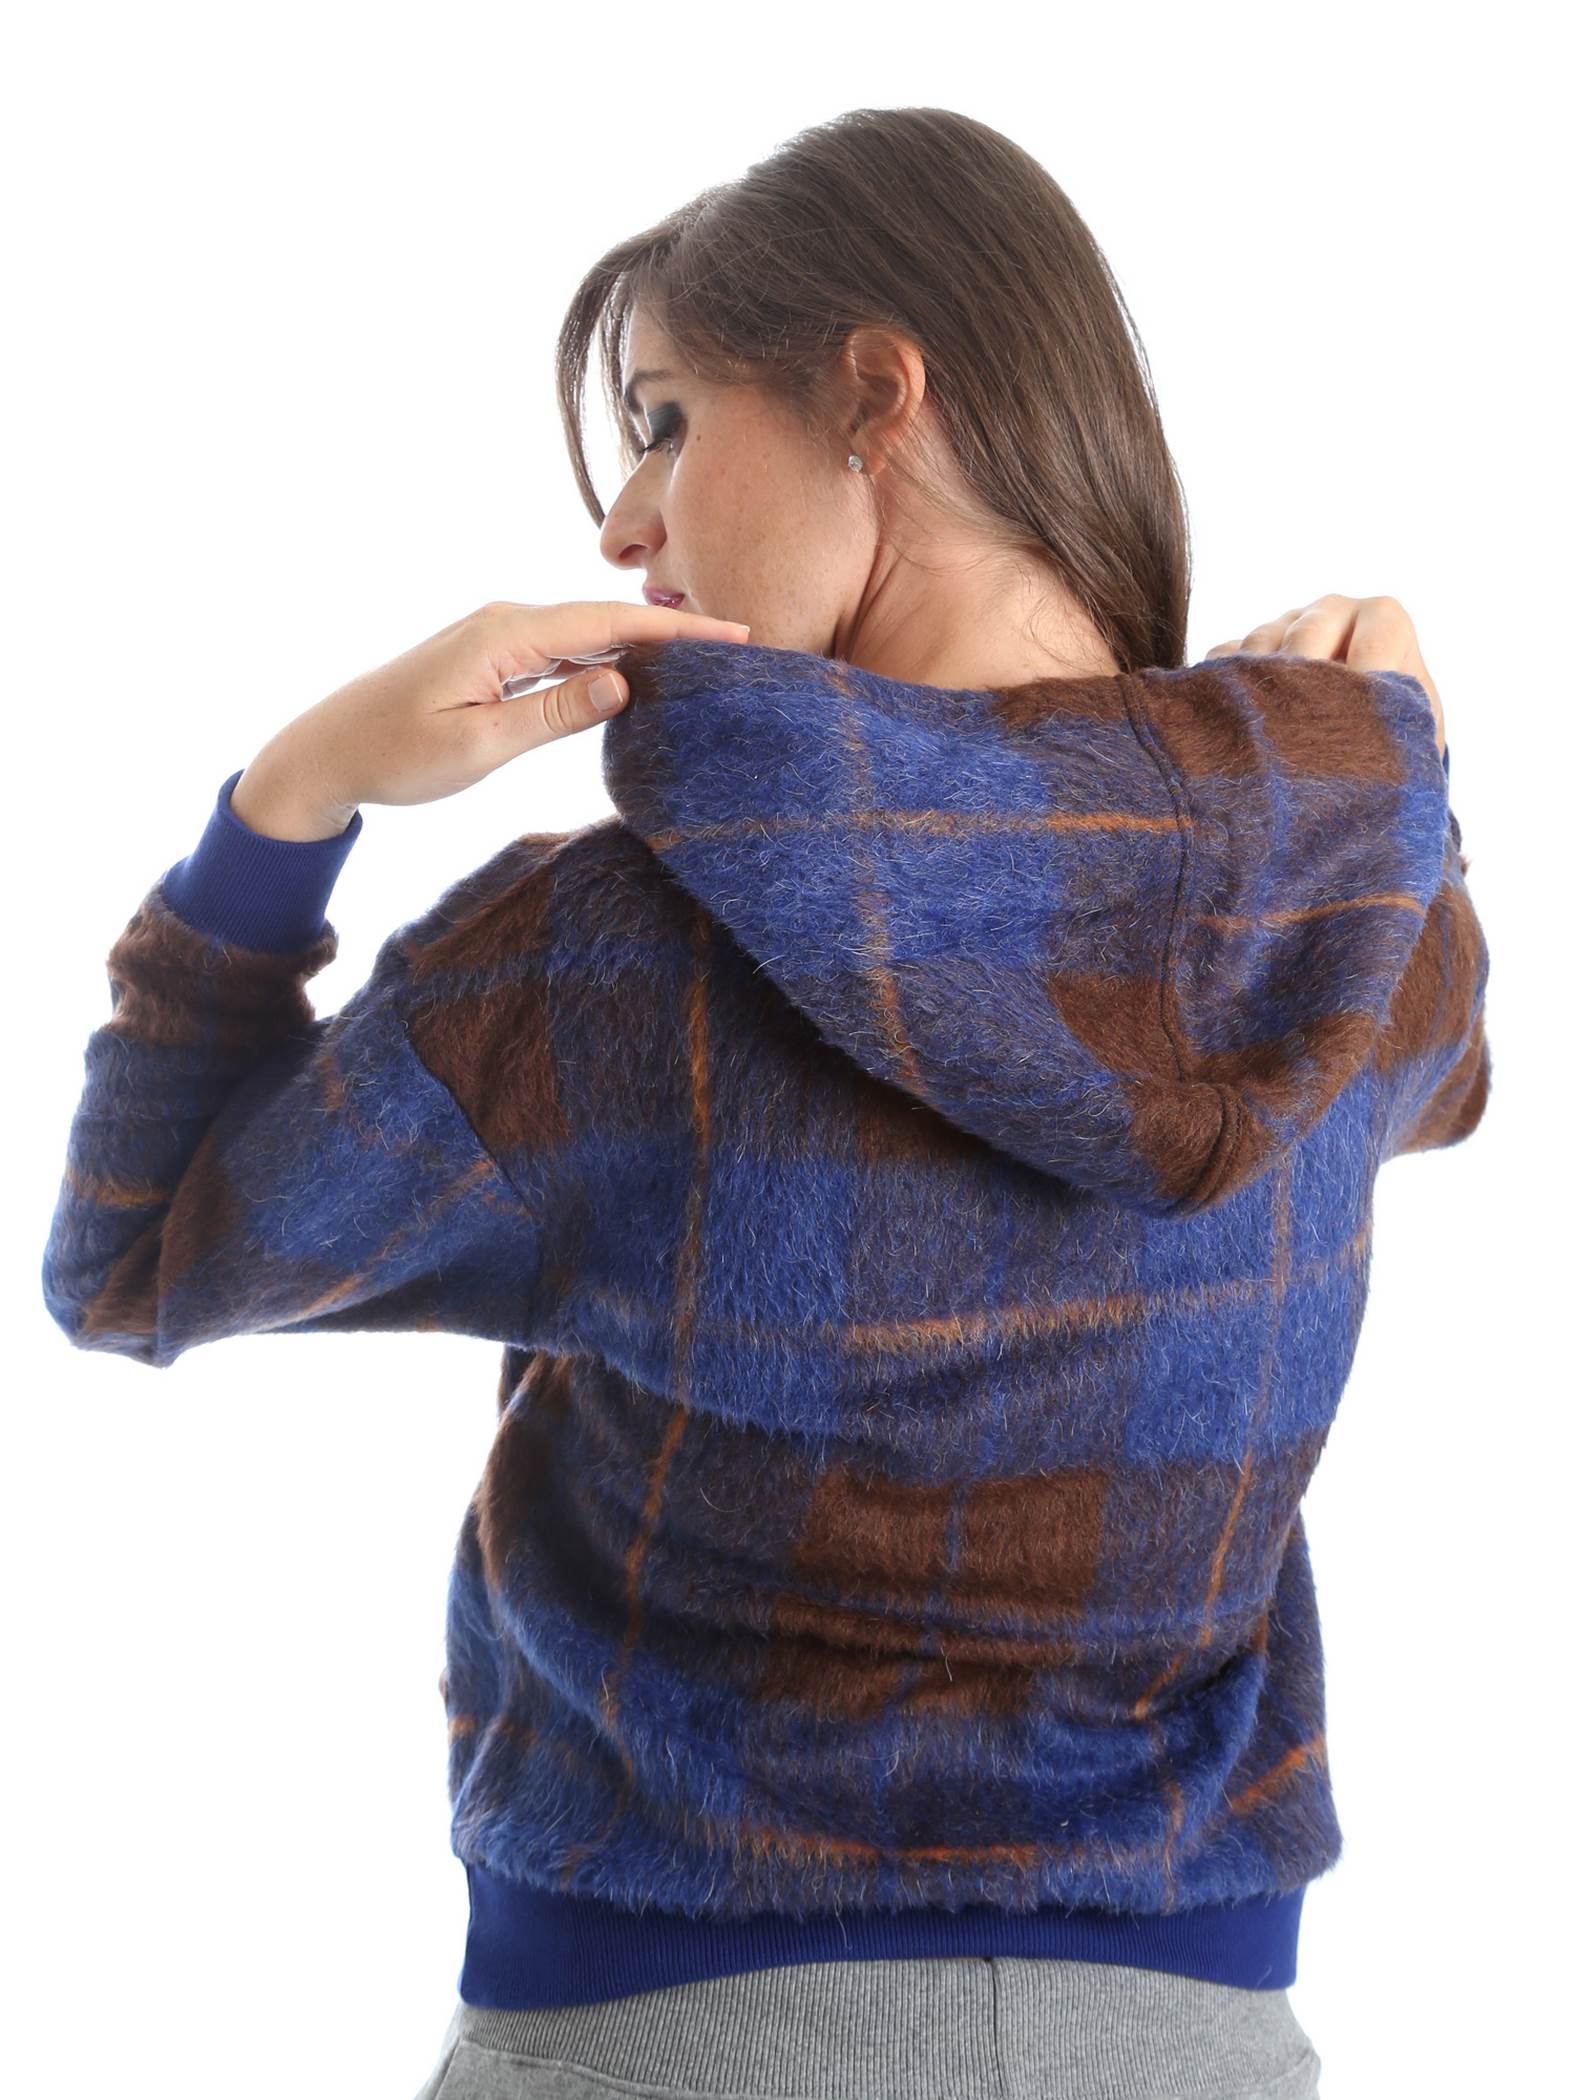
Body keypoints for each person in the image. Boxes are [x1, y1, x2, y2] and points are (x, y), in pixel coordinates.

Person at [44, 107, 1487, 2100]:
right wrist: (1375, 775)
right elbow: (1444, 1053)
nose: (625, 525)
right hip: (1197, 2039)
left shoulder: (606, 961)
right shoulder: (1359, 936)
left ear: (874, 397)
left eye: (662, 420)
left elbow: (133, 1260)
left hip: (672, 2031)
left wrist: (289, 801)